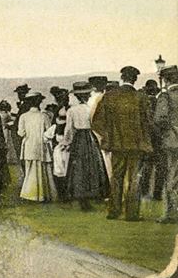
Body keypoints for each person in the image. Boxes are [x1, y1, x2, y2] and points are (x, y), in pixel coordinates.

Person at [92, 66, 153, 221]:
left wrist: (109, 136)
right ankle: (132, 214)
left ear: (122, 78)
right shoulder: (141, 97)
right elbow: (148, 122)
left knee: (116, 177)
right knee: (134, 179)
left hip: (116, 145)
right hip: (137, 145)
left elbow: (97, 122)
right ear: (135, 79)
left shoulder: (110, 96)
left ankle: (114, 211)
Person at [61, 82, 108, 211]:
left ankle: (82, 198)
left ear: (76, 96)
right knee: (93, 166)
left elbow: (69, 129)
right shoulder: (92, 108)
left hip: (79, 139)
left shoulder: (72, 110)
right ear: (88, 96)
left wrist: (66, 143)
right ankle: (95, 194)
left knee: (79, 168)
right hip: (91, 138)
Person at [18, 91, 57, 203]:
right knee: (43, 170)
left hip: (29, 145)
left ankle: (30, 194)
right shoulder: (44, 116)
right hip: (41, 146)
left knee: (30, 170)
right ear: (39, 102)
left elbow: (21, 133)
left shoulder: (23, 116)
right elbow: (49, 132)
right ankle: (43, 194)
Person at [154, 65, 178, 223]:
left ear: (166, 79)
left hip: (172, 141)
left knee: (171, 177)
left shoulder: (165, 96)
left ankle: (171, 213)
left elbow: (159, 119)